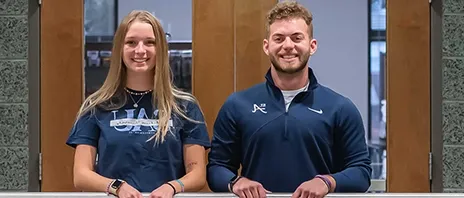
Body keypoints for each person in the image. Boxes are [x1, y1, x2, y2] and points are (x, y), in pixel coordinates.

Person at [207, 1, 372, 198]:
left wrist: (327, 182)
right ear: (267, 46)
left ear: (312, 46)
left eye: (297, 38)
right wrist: (235, 182)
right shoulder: (237, 105)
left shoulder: (340, 108)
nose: (288, 46)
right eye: (279, 38)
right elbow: (216, 168)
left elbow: (361, 172)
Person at [66, 10, 210, 198]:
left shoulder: (184, 107)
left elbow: (198, 174)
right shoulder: (96, 107)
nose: (140, 50)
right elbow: (81, 175)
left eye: (150, 42)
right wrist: (116, 186)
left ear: (160, 48)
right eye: (131, 42)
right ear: (120, 48)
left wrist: (173, 187)